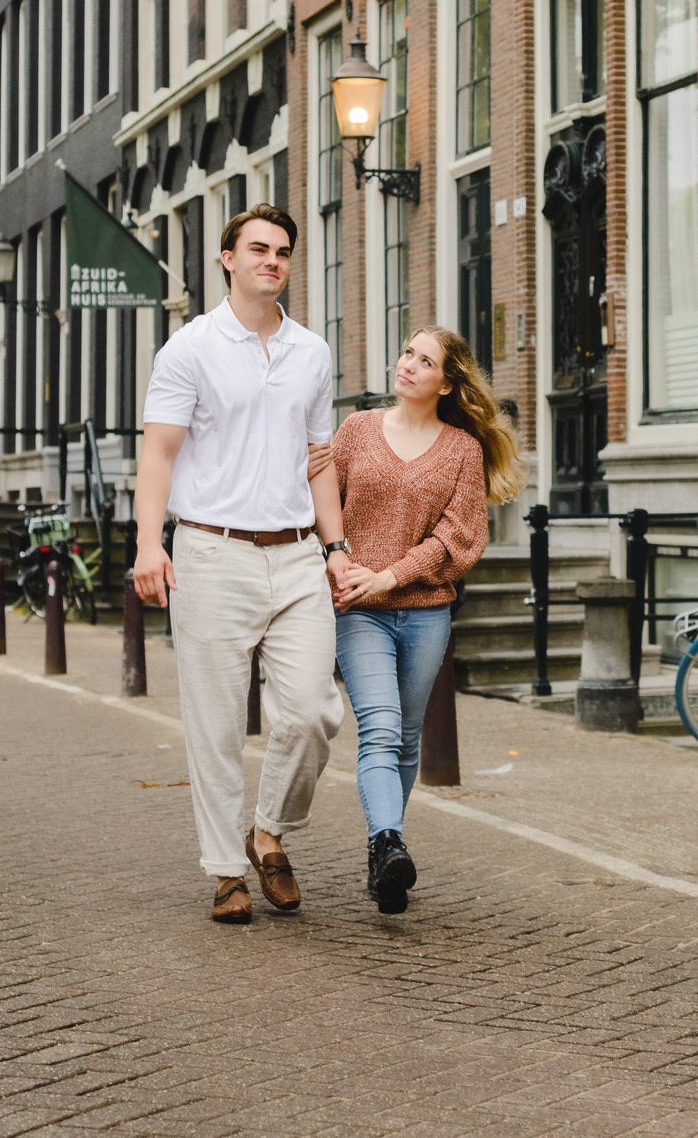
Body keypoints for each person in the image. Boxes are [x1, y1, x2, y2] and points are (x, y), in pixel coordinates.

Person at [132, 204, 351, 925]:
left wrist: (338, 545)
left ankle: (268, 831)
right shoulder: (189, 350)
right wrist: (148, 543)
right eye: (258, 249)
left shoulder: (312, 353)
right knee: (217, 722)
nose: (273, 261)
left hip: (295, 555)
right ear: (228, 258)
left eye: (283, 252)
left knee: (316, 711)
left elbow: (319, 461)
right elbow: (159, 453)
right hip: (212, 549)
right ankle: (226, 870)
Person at [321, 326, 526, 914]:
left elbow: (457, 536)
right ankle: (389, 842)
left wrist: (391, 574)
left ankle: (383, 853)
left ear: (447, 381)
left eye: (425, 360)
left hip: (426, 611)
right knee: (380, 729)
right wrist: (338, 558)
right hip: (359, 611)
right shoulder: (357, 431)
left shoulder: (461, 449)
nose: (407, 364)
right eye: (407, 352)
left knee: (406, 739)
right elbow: (320, 499)